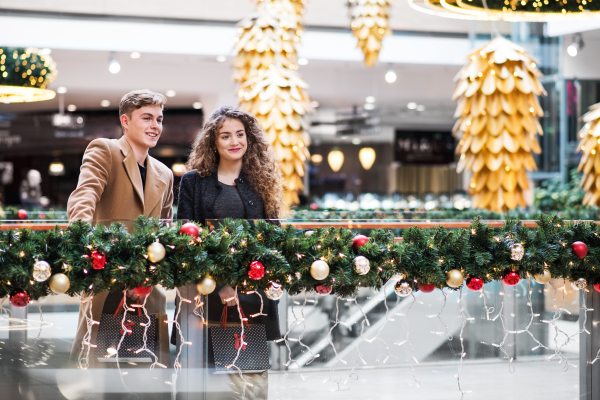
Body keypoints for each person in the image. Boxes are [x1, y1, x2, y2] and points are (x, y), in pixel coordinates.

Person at [177, 106, 284, 399]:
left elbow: (273, 237)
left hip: (253, 296)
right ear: (213, 141)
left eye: (240, 134)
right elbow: (186, 239)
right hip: (206, 297)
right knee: (211, 382)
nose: (234, 141)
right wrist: (221, 283)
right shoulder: (193, 182)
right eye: (225, 135)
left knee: (252, 382)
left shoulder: (262, 180)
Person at [67, 89, 174, 364]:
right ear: (125, 121)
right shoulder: (106, 149)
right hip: (107, 276)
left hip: (147, 285)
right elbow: (85, 195)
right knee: (95, 364)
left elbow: (165, 227)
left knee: (148, 365)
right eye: (147, 118)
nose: (155, 126)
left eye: (159, 119)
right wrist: (84, 238)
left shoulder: (165, 173)